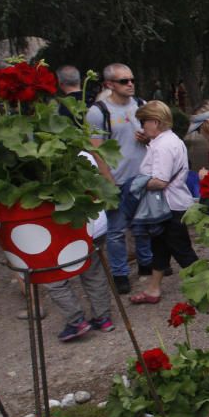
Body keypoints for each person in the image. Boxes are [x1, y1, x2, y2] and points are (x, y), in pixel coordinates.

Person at [85, 63, 152, 295]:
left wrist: (147, 139)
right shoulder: (98, 112)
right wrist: (107, 181)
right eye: (124, 81)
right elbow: (96, 150)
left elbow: (155, 138)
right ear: (109, 84)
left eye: (132, 79)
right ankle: (120, 273)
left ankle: (146, 264)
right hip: (117, 179)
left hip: (142, 177)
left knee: (142, 224)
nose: (130, 84)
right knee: (116, 231)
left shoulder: (141, 106)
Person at [128, 102, 198, 305]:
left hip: (169, 206)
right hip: (171, 204)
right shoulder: (168, 140)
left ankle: (205, 289)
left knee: (183, 252)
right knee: (159, 246)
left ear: (155, 122)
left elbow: (160, 180)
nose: (142, 126)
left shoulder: (163, 146)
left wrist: (136, 184)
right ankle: (153, 288)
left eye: (144, 121)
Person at [44, 153, 116, 340]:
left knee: (53, 274)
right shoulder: (86, 155)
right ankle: (104, 318)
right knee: (94, 272)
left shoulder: (47, 160)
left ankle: (76, 322)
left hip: (70, 227)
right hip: (95, 222)